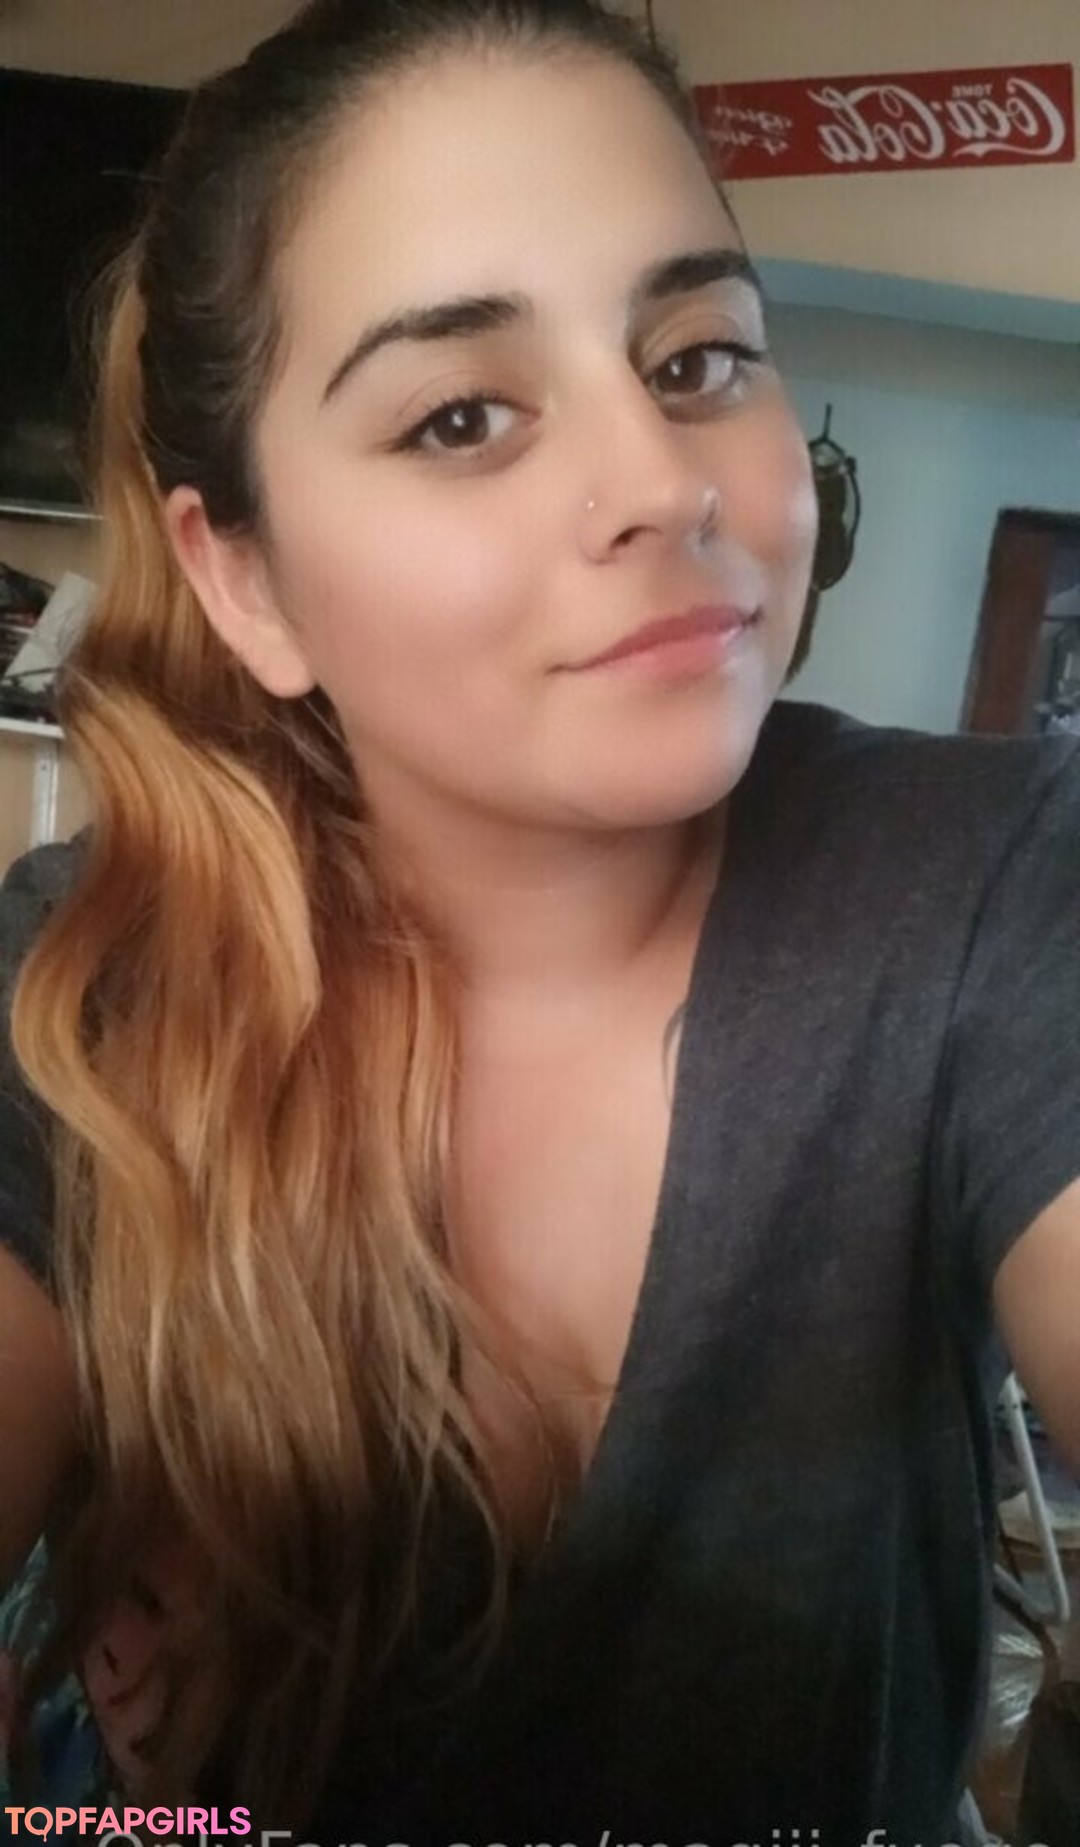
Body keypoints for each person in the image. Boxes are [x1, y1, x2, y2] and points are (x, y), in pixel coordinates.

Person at [1, 0, 1078, 1838]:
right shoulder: (89, 975)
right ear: (243, 580)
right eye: (462, 415)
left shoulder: (985, 882)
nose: (665, 483)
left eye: (698, 358)